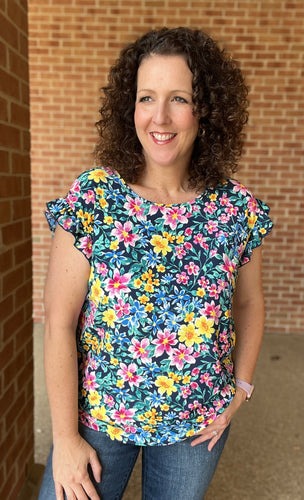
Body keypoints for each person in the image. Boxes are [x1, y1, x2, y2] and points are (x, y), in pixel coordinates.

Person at [38, 27, 273, 500]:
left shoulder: (235, 210)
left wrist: (240, 390)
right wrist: (64, 438)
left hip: (198, 425)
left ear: (205, 109)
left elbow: (249, 304)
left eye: (179, 98)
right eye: (147, 97)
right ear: (130, 108)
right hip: (98, 419)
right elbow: (59, 322)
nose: (159, 117)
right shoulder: (95, 198)